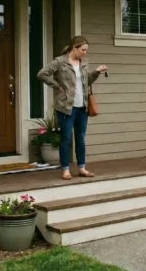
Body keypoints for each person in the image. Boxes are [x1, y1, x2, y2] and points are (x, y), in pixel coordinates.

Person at [37, 36, 108, 180]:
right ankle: (65, 170)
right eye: (82, 50)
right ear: (74, 48)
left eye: (86, 50)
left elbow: (87, 81)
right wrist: (57, 86)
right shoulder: (59, 62)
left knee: (80, 138)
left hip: (82, 107)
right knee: (66, 138)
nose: (85, 53)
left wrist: (97, 72)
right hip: (65, 107)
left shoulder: (84, 62)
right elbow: (42, 74)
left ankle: (82, 168)